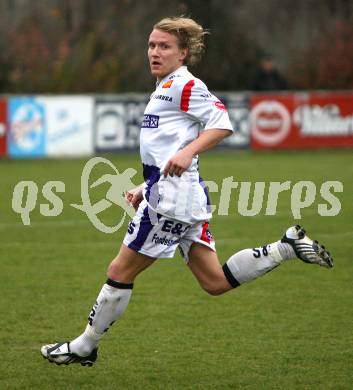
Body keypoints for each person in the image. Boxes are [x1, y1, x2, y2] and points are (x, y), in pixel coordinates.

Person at [41, 17, 333, 366]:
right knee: (214, 282)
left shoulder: (184, 84)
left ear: (183, 54)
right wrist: (144, 184)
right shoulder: (165, 86)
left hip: (170, 203)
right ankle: (284, 248)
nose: (154, 52)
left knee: (120, 271)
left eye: (164, 46)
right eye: (151, 45)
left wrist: (189, 151)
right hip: (176, 195)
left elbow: (222, 123)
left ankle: (85, 347)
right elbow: (167, 149)